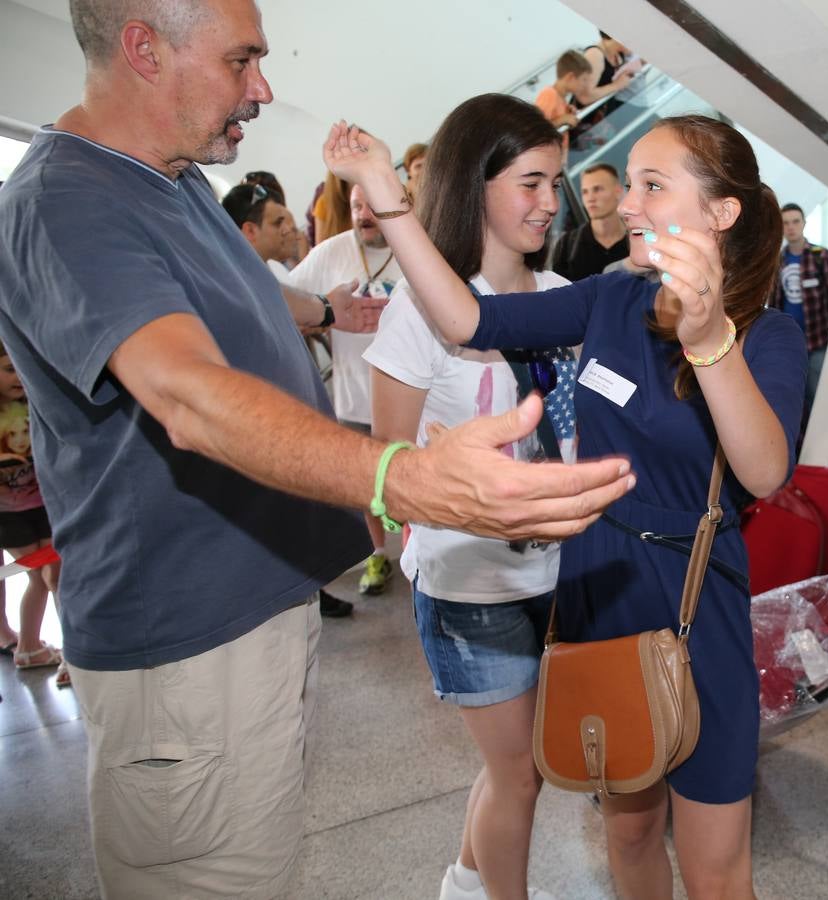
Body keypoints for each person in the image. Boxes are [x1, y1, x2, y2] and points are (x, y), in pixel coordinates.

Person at [0, 3, 633, 896]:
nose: (263, 88)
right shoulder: (65, 200)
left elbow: (244, 299)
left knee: (258, 865)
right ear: (143, 48)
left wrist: (330, 312)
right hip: (185, 643)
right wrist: (399, 475)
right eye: (241, 61)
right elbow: (188, 396)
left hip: (252, 609)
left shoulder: (170, 179)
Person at [327, 109, 806, 900]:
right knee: (628, 832)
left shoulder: (764, 335)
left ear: (721, 213)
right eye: (630, 187)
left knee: (718, 870)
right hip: (599, 588)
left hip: (693, 600)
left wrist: (708, 334)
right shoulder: (610, 301)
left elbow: (762, 471)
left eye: (653, 186)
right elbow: (465, 317)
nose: (627, 206)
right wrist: (386, 195)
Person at [364, 93, 575, 900]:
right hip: (468, 585)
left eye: (556, 182)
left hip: (559, 578)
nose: (549, 203)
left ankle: (463, 883)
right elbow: (388, 477)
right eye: (530, 182)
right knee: (519, 776)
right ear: (473, 183)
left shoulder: (562, 294)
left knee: (517, 767)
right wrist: (472, 491)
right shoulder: (419, 313)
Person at [288, 183, 405, 598]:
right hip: (354, 392)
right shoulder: (332, 251)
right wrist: (322, 317)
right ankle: (376, 552)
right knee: (364, 485)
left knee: (412, 478)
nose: (363, 215)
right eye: (356, 206)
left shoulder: (414, 246)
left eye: (372, 206)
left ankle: (418, 556)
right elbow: (284, 304)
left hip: (411, 394)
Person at [0, 341, 64, 686]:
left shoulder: (32, 403)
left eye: (18, 368)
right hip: (9, 515)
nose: (17, 377)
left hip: (42, 504)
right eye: (8, 370)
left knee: (55, 577)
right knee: (39, 579)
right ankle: (27, 646)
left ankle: (55, 652)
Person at [769, 202, 828, 420]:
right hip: (789, 342)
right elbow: (774, 303)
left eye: (795, 221)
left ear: (804, 224)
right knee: (793, 397)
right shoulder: (777, 260)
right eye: (785, 223)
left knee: (819, 396)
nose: (791, 227)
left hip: (819, 341)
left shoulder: (822, 257)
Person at [550, 163, 629, 281]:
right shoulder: (567, 245)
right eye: (585, 192)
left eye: (597, 189)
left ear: (618, 191)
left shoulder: (636, 244)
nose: (590, 198)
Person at [223, 182, 297, 279]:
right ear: (250, 231)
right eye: (277, 223)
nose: (287, 230)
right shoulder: (236, 281)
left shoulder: (276, 268)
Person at [533, 49, 590, 152]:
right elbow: (535, 129)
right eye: (584, 80)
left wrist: (567, 115)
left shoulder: (561, 99)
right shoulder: (549, 94)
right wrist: (562, 120)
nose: (585, 85)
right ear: (570, 77)